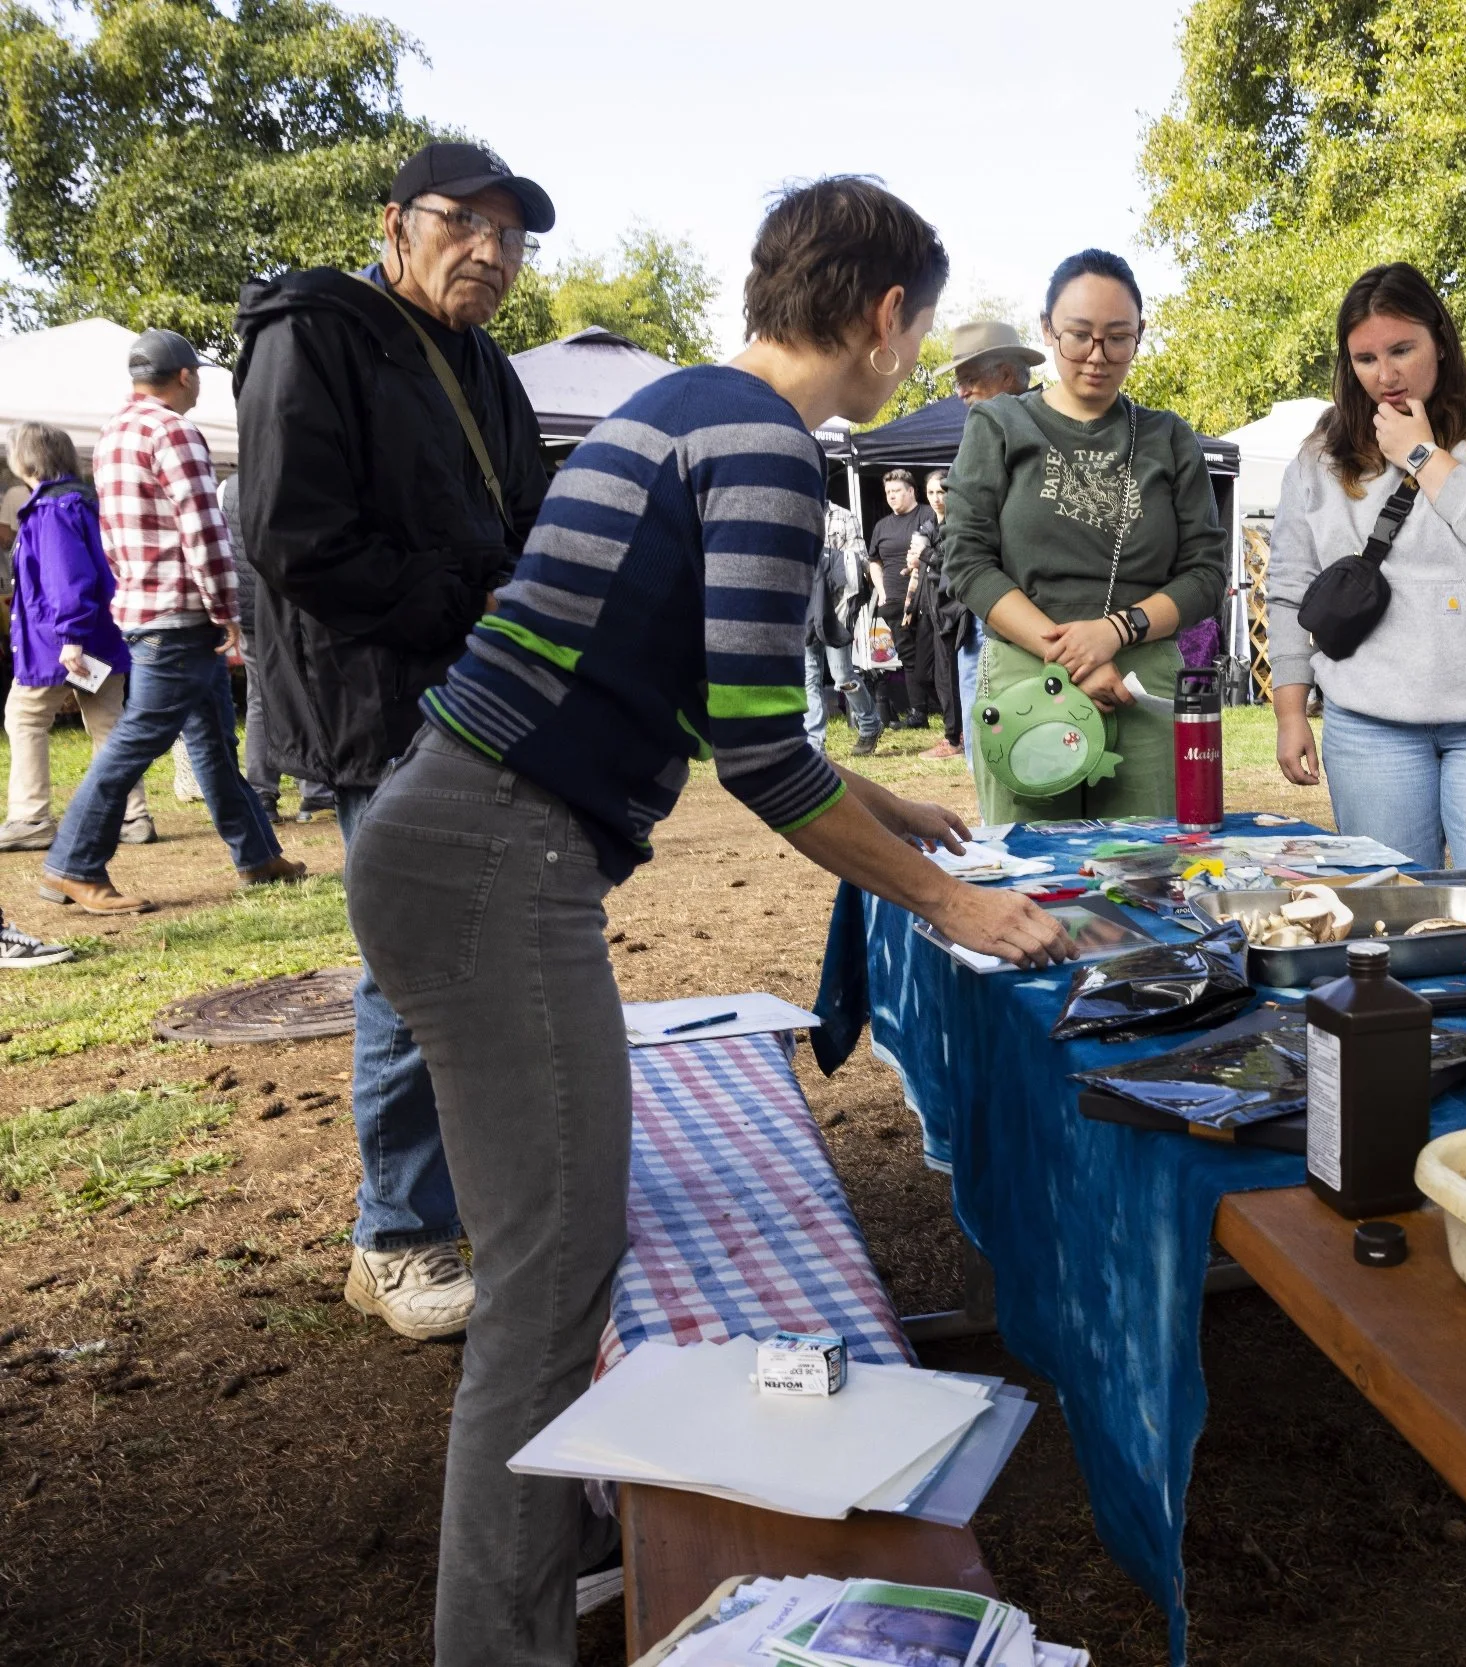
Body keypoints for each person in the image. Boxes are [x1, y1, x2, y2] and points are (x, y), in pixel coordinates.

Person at [347, 175, 1068, 1667]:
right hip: (494, 856)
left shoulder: (678, 405)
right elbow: (756, 758)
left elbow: (697, 692)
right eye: (917, 334)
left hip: (446, 832)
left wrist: (881, 789)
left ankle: (550, 1534)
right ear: (885, 316)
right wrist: (953, 902)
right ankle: (502, 1638)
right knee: (551, 1284)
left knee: (556, 1261)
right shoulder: (769, 450)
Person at [233, 139, 555, 1343]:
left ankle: (447, 1204)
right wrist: (469, 603)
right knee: (412, 961)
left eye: (510, 236)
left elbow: (526, 515)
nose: (488, 251)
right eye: (462, 224)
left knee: (477, 943)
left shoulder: (487, 365)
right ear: (394, 222)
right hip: (376, 705)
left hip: (477, 692)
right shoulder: (313, 329)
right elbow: (292, 536)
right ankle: (399, 1232)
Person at [1265, 263, 1466, 883]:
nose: (1386, 374)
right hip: (1370, 721)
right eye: (1365, 358)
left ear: (1439, 337)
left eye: (1402, 349)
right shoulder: (1321, 451)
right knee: (1386, 913)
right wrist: (1290, 711)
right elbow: (1290, 584)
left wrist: (1423, 456)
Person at [942, 249, 1228, 821]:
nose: (1097, 356)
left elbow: (1206, 573)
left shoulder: (1168, 437)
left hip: (1141, 683)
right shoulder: (999, 424)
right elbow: (968, 562)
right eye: (1079, 336)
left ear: (1139, 336)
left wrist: (1116, 632)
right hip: (1027, 676)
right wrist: (1077, 657)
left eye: (1118, 338)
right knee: (1033, 885)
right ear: (1048, 331)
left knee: (1151, 876)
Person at [37, 332, 302, 914]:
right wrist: (224, 609)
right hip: (181, 615)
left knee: (212, 742)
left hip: (145, 609)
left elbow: (112, 536)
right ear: (185, 377)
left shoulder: (113, 435)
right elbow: (204, 529)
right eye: (199, 375)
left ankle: (257, 855)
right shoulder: (175, 431)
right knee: (139, 739)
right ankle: (73, 863)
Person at [0, 421, 148, 852]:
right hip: (95, 635)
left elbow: (68, 579)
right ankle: (133, 815)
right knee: (108, 723)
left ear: (23, 459)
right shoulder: (85, 502)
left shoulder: (50, 511)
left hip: (59, 643)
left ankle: (30, 817)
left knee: (25, 716)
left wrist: (70, 638)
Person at [945, 321, 1042, 752]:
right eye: (959, 383)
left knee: (1013, 717)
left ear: (1005, 374)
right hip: (984, 597)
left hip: (1024, 604)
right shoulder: (987, 425)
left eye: (969, 379)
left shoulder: (1044, 423)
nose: (960, 392)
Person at [219, 473, 334, 822]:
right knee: (306, 691)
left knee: (258, 697)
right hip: (289, 607)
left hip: (249, 609)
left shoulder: (227, 488)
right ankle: (315, 791)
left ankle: (261, 794)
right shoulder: (294, 478)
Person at [802, 501, 884, 758]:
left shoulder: (843, 516)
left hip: (836, 609)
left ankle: (870, 724)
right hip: (804, 608)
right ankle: (815, 744)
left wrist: (825, 559)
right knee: (809, 678)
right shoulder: (794, 510)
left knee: (843, 677)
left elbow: (859, 559)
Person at [869, 469, 940, 729]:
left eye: (896, 491)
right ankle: (918, 714)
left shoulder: (927, 515)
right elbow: (873, 561)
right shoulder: (882, 526)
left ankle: (947, 707)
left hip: (925, 599)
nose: (891, 496)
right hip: (894, 601)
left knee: (929, 658)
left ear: (911, 491)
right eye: (888, 492)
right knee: (908, 657)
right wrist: (883, 593)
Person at [919, 466, 970, 759]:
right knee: (934, 674)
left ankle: (955, 737)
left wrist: (924, 556)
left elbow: (952, 562)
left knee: (954, 674)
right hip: (934, 609)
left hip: (956, 610)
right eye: (932, 493)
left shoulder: (958, 524)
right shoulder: (928, 527)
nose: (937, 498)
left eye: (942, 491)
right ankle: (954, 733)